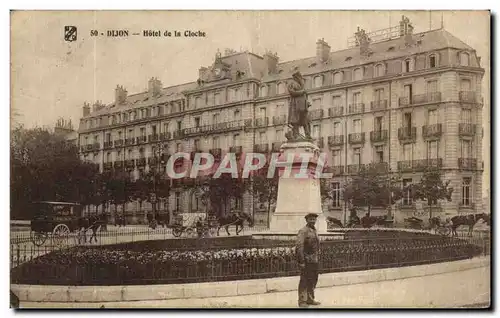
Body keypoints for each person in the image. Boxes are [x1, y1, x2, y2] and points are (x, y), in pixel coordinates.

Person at [296, 213, 321, 307]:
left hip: (314, 260)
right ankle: (302, 301)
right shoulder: (303, 231)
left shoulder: (314, 230)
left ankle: (310, 299)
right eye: (311, 219)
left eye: (314, 219)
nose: (313, 221)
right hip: (306, 260)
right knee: (304, 280)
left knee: (313, 279)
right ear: (306, 220)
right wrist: (301, 261)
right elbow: (299, 247)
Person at [287, 71, 312, 140]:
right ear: (296, 77)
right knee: (296, 121)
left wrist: (307, 103)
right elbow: (291, 92)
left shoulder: (301, 85)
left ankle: (308, 135)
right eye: (299, 77)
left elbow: (305, 96)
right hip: (295, 105)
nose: (301, 79)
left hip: (303, 106)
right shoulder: (292, 83)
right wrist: (301, 92)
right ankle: (296, 135)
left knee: (305, 121)